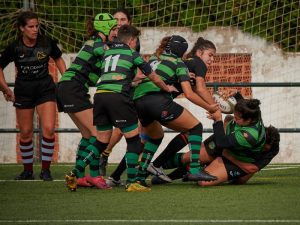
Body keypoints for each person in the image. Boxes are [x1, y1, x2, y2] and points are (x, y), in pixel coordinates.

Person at [65, 24, 175, 192]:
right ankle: (132, 182)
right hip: (118, 98)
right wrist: (167, 88)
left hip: (100, 96)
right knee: (133, 140)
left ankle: (75, 172)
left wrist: (132, 80)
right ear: (131, 40)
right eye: (136, 40)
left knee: (101, 141)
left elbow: (114, 76)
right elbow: (153, 76)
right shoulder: (132, 54)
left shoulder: (107, 53)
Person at [132, 35, 219, 188]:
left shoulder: (155, 57)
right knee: (195, 127)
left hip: (138, 101)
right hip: (158, 101)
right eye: (210, 55)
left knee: (156, 136)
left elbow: (140, 76)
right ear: (186, 52)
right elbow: (191, 93)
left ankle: (139, 177)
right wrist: (211, 107)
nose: (212, 59)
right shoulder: (180, 63)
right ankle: (194, 169)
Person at [0, 11, 66, 181]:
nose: (35, 29)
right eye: (31, 27)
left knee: (49, 130)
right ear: (22, 28)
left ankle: (46, 170)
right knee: (26, 133)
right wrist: (5, 88)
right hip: (24, 92)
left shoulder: (46, 42)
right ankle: (27, 171)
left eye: (36, 26)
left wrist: (66, 80)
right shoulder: (14, 47)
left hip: (45, 89)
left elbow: (58, 59)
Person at [152, 94, 269, 186]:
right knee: (189, 157)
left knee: (203, 182)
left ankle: (176, 174)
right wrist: (231, 97)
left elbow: (222, 143)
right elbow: (240, 100)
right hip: (224, 139)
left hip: (234, 155)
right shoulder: (253, 111)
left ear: (248, 121)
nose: (235, 119)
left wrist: (217, 120)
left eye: (238, 118)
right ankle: (151, 168)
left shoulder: (249, 135)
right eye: (235, 115)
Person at [57, 13, 117, 189]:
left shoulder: (91, 43)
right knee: (99, 134)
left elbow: (93, 76)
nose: (115, 32)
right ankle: (94, 176)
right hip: (73, 88)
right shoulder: (100, 45)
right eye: (113, 28)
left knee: (88, 134)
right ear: (105, 29)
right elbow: (112, 59)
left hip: (66, 87)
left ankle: (82, 178)